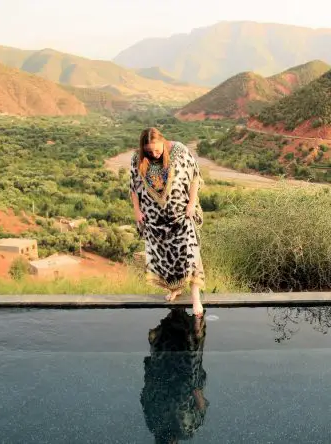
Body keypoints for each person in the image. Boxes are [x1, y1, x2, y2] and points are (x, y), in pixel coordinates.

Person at [130, 127, 205, 316]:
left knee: (190, 253)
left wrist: (192, 203)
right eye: (149, 151)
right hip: (155, 219)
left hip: (181, 215)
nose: (154, 154)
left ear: (163, 141)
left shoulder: (179, 151)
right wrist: (137, 210)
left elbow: (195, 176)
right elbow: (134, 187)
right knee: (166, 257)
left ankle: (196, 298)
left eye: (157, 150)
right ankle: (174, 289)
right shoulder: (138, 158)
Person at [140, 309, 209, 444]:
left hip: (175, 376)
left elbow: (146, 399)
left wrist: (195, 387)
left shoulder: (182, 430)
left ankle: (187, 321)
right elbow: (145, 398)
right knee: (185, 343)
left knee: (185, 343)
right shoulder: (156, 425)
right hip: (173, 375)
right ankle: (188, 321)